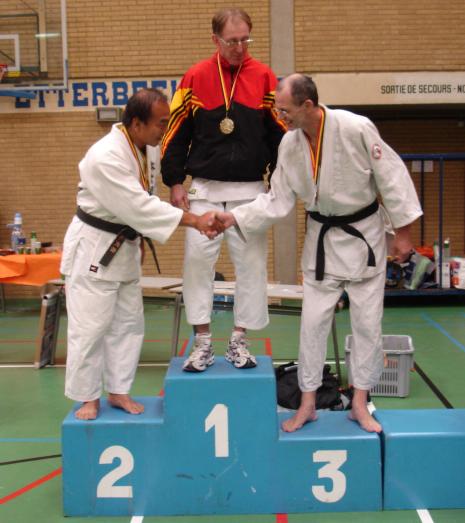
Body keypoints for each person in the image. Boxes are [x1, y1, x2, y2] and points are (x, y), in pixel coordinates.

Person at [217, 74, 423, 433]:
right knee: (311, 325)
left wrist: (402, 233)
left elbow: (392, 177)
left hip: (363, 240)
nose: (281, 118)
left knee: (366, 326)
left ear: (308, 105)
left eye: (285, 111)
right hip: (322, 243)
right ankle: (308, 402)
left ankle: (359, 403)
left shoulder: (356, 127)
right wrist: (234, 216)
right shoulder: (290, 145)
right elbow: (277, 198)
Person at [61, 88, 222, 420]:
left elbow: (142, 201)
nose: (164, 129)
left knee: (129, 324)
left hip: (124, 246)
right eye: (160, 123)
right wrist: (194, 220)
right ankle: (87, 397)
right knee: (89, 327)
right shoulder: (104, 155)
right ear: (136, 122)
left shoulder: (145, 148)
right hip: (95, 248)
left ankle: (119, 391)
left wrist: (141, 237)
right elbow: (139, 205)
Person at [161, 7, 286, 373]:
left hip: (251, 192)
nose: (239, 47)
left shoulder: (264, 77)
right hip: (204, 191)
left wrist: (276, 185)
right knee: (197, 266)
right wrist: (174, 181)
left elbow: (279, 135)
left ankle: (239, 341)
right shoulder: (195, 77)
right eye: (232, 41)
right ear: (215, 39)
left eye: (245, 39)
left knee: (251, 268)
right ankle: (202, 342)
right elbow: (175, 132)